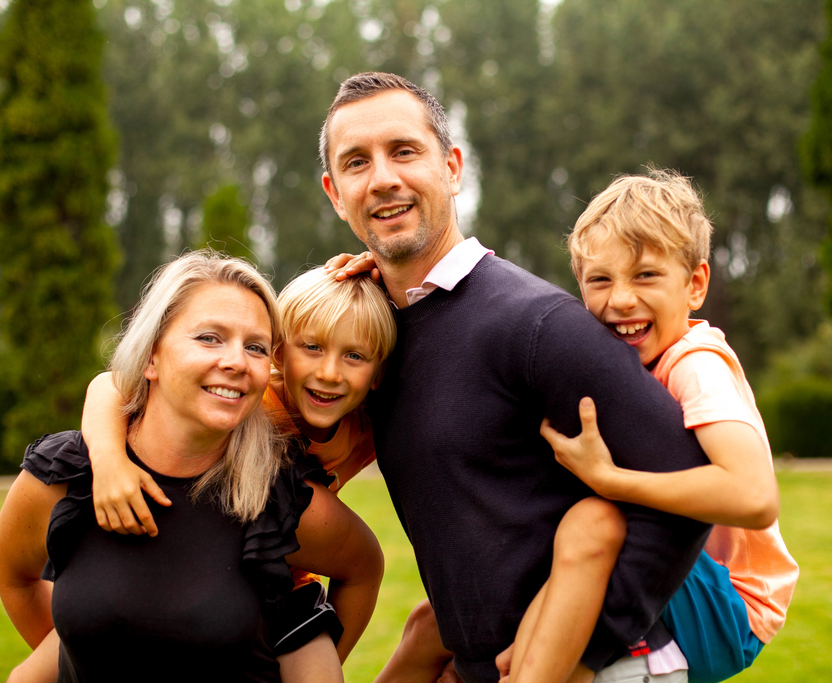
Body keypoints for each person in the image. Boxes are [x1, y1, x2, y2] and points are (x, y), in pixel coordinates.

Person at [322, 72, 711, 683]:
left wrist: (584, 654)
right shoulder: (372, 341)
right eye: (356, 163)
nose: (383, 179)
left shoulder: (535, 324)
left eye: (404, 151)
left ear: (451, 167)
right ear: (335, 194)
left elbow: (687, 485)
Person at [0, 250, 383, 683]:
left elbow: (364, 565)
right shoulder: (70, 475)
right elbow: (111, 384)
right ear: (151, 356)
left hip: (288, 593)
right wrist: (107, 460)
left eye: (254, 346)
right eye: (209, 338)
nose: (235, 361)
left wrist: (394, 284)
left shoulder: (285, 489)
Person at [504, 170, 799, 683]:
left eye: (645, 276)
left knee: (591, 519)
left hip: (730, 606)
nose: (620, 299)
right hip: (687, 586)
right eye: (600, 279)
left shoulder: (695, 365)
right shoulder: (625, 370)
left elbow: (754, 497)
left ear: (695, 285)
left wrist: (611, 481)